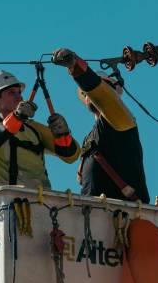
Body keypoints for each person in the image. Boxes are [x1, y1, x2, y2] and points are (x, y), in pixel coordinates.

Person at [51, 48, 150, 203]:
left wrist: (75, 65)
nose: (89, 95)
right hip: (91, 214)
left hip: (125, 214)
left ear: (113, 91)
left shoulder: (122, 119)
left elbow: (101, 94)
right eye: (85, 94)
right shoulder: (89, 139)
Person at [0, 70, 80, 189]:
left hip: (43, 201)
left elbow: (70, 156)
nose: (19, 97)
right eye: (11, 93)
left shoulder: (33, 128)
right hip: (7, 200)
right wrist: (15, 118)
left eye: (19, 92)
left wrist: (63, 135)